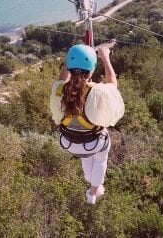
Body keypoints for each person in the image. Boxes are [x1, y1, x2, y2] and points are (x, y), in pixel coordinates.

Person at [49, 43, 124, 204]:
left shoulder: (58, 89)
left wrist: (68, 60)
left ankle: (92, 183)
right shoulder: (97, 91)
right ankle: (93, 192)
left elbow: (62, 79)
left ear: (69, 68)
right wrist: (106, 57)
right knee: (100, 159)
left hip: (70, 143)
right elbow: (113, 85)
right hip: (92, 143)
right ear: (91, 70)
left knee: (86, 156)